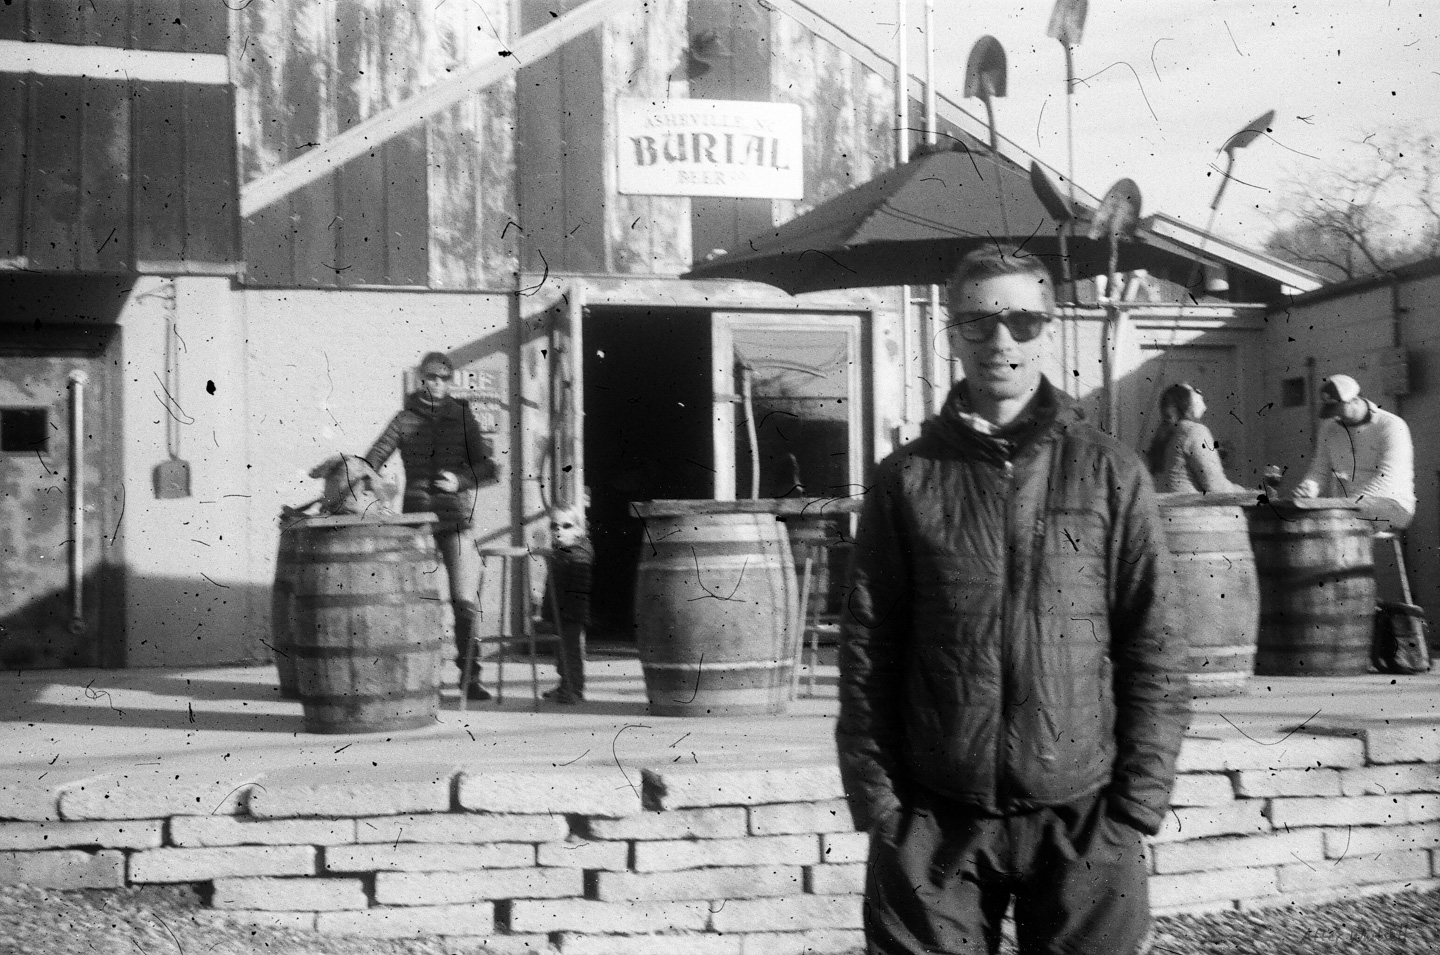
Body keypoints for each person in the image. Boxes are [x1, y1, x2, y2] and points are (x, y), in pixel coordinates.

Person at [837, 246, 1191, 955]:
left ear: (1048, 330)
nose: (1000, 340)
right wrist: (880, 802)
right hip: (932, 816)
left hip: (1084, 815)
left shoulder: (1110, 472)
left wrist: (1135, 807)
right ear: (952, 333)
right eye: (978, 322)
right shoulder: (906, 479)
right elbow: (869, 649)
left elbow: (1153, 644)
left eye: (1022, 321)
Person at [364, 351, 499, 701]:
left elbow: (489, 468)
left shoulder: (463, 416)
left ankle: (470, 679)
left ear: (449, 381)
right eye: (431, 377)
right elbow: (372, 459)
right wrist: (369, 481)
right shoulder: (404, 419)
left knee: (463, 600)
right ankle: (412, 678)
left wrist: (460, 480)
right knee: (413, 601)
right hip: (417, 522)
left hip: (455, 518)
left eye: (443, 378)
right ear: (421, 379)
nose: (437, 384)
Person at [1293, 374, 1415, 530]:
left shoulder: (1391, 426)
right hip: (1347, 506)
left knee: (1333, 523)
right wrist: (1308, 487)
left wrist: (1346, 505)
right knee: (1303, 520)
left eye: (1339, 410)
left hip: (1392, 503)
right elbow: (1319, 469)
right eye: (1332, 411)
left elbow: (1388, 480)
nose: (1336, 416)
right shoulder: (1329, 428)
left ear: (1355, 400)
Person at [1145, 382, 1244, 493]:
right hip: (1188, 503)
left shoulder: (1164, 434)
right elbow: (1216, 486)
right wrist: (1245, 492)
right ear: (1189, 406)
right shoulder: (1194, 431)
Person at [540, 507, 594, 705]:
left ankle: (574, 689)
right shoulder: (561, 552)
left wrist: (572, 612)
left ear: (580, 530)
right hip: (559, 612)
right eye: (554, 526)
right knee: (561, 652)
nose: (559, 530)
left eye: (567, 526)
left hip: (572, 613)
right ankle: (565, 684)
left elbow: (580, 587)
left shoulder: (579, 555)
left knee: (571, 652)